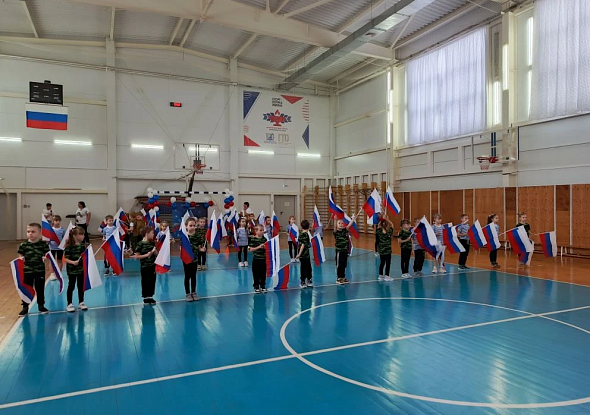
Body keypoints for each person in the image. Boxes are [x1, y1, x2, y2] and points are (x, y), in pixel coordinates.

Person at [18, 223, 50, 316]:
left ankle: (41, 305)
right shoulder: (23, 245)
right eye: (28, 232)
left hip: (39, 270)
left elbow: (47, 255)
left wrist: (45, 258)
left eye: (33, 231)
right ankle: (25, 307)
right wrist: (21, 258)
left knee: (40, 288)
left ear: (39, 233)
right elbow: (20, 254)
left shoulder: (43, 245)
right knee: (27, 289)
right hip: (27, 270)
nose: (30, 233)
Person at [63, 226, 88, 312]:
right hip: (72, 270)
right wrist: (73, 262)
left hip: (81, 269)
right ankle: (69, 303)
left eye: (83, 234)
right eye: (81, 234)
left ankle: (81, 302)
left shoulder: (82, 246)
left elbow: (84, 257)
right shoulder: (69, 247)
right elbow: (65, 259)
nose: (83, 236)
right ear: (75, 236)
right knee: (71, 286)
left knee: (81, 286)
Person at [133, 227, 158, 305]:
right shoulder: (140, 244)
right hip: (145, 266)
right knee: (145, 281)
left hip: (152, 266)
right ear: (147, 234)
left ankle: (150, 296)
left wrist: (155, 251)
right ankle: (146, 297)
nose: (153, 234)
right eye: (152, 233)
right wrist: (146, 255)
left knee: (152, 281)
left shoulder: (152, 243)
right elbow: (137, 256)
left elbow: (157, 255)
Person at [334, 216, 356, 285]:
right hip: (339, 251)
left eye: (342, 223)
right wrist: (335, 220)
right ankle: (339, 278)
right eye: (339, 223)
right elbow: (334, 227)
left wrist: (353, 220)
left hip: (345, 251)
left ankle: (343, 277)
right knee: (339, 265)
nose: (341, 224)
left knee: (344, 264)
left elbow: (349, 225)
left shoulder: (345, 230)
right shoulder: (336, 232)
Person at [183, 217, 200, 302]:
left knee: (193, 276)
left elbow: (199, 246)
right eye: (190, 225)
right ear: (186, 226)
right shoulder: (184, 236)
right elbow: (182, 247)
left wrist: (202, 249)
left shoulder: (197, 236)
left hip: (195, 259)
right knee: (187, 276)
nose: (192, 227)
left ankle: (194, 292)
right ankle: (187, 293)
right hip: (186, 260)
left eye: (194, 225)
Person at [248, 224, 268, 293]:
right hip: (256, 259)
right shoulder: (253, 239)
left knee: (263, 273)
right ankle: (256, 286)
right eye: (260, 230)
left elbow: (267, 248)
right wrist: (259, 247)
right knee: (256, 273)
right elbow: (250, 249)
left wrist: (265, 248)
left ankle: (263, 285)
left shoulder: (264, 239)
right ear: (256, 231)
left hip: (263, 259)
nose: (262, 232)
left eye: (263, 230)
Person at [376, 217, 395, 281]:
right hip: (388, 250)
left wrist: (381, 220)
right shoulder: (389, 232)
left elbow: (378, 226)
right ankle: (387, 276)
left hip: (382, 250)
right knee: (388, 263)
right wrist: (387, 219)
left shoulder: (379, 231)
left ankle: (380, 275)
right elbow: (392, 225)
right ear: (387, 225)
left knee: (382, 262)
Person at [296, 220, 313, 288]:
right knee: (305, 267)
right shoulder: (304, 235)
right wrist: (299, 254)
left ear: (301, 226)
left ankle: (307, 280)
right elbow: (302, 245)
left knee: (307, 267)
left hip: (306, 255)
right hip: (303, 255)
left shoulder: (302, 233)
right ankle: (304, 280)